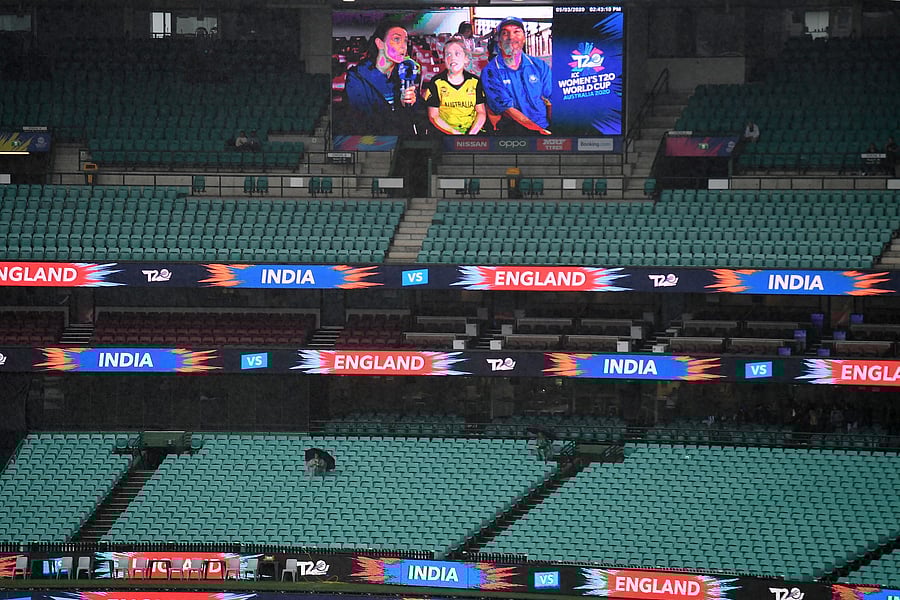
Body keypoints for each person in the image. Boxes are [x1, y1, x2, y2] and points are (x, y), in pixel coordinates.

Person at [342, 21, 423, 135]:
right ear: (380, 43)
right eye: (396, 39)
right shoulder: (357, 76)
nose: (403, 46)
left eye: (405, 41)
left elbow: (418, 116)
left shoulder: (405, 73)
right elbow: (361, 119)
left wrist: (412, 103)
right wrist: (399, 109)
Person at [481, 17, 552, 135]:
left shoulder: (540, 66)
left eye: (516, 32)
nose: (511, 37)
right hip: (513, 132)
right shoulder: (490, 71)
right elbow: (507, 109)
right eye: (505, 33)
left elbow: (550, 100)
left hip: (545, 127)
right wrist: (539, 131)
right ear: (499, 42)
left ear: (524, 38)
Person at [423, 38, 487, 135]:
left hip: (473, 132)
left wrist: (471, 135)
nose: (452, 58)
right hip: (445, 132)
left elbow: (481, 112)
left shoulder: (475, 82)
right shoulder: (436, 82)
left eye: (457, 54)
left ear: (466, 58)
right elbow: (434, 116)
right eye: (448, 54)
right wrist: (456, 135)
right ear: (444, 59)